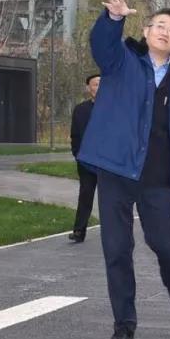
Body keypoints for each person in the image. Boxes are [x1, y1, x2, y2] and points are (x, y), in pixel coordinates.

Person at [77, 0, 170, 339]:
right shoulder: (122, 60)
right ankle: (124, 323)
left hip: (156, 177)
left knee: (167, 246)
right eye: (160, 25)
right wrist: (113, 19)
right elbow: (101, 45)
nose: (166, 32)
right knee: (117, 249)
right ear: (146, 32)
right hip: (116, 171)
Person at [68, 73, 101, 243]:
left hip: (109, 163)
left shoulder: (114, 108)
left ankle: (113, 232)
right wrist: (77, 154)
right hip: (86, 161)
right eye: (95, 84)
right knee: (85, 196)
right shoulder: (80, 110)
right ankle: (79, 231)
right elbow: (75, 135)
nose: (99, 87)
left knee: (109, 199)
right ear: (89, 88)